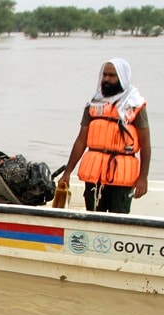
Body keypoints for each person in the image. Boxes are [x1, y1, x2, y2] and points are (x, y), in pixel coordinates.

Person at [57, 58, 150, 214]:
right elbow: (81, 141)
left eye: (112, 75)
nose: (106, 79)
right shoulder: (93, 105)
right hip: (94, 174)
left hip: (122, 175)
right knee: (92, 216)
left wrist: (143, 177)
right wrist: (67, 172)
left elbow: (146, 145)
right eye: (105, 75)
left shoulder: (135, 105)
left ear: (122, 77)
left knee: (119, 220)